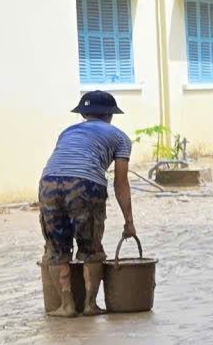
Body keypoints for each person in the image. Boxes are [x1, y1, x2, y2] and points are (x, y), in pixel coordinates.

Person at [38, 90, 138, 284]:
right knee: (91, 250)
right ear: (111, 115)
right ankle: (90, 306)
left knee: (56, 251)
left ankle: (65, 306)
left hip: (48, 181)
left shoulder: (67, 132)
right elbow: (121, 182)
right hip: (84, 184)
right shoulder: (120, 137)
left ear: (83, 115)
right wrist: (129, 222)